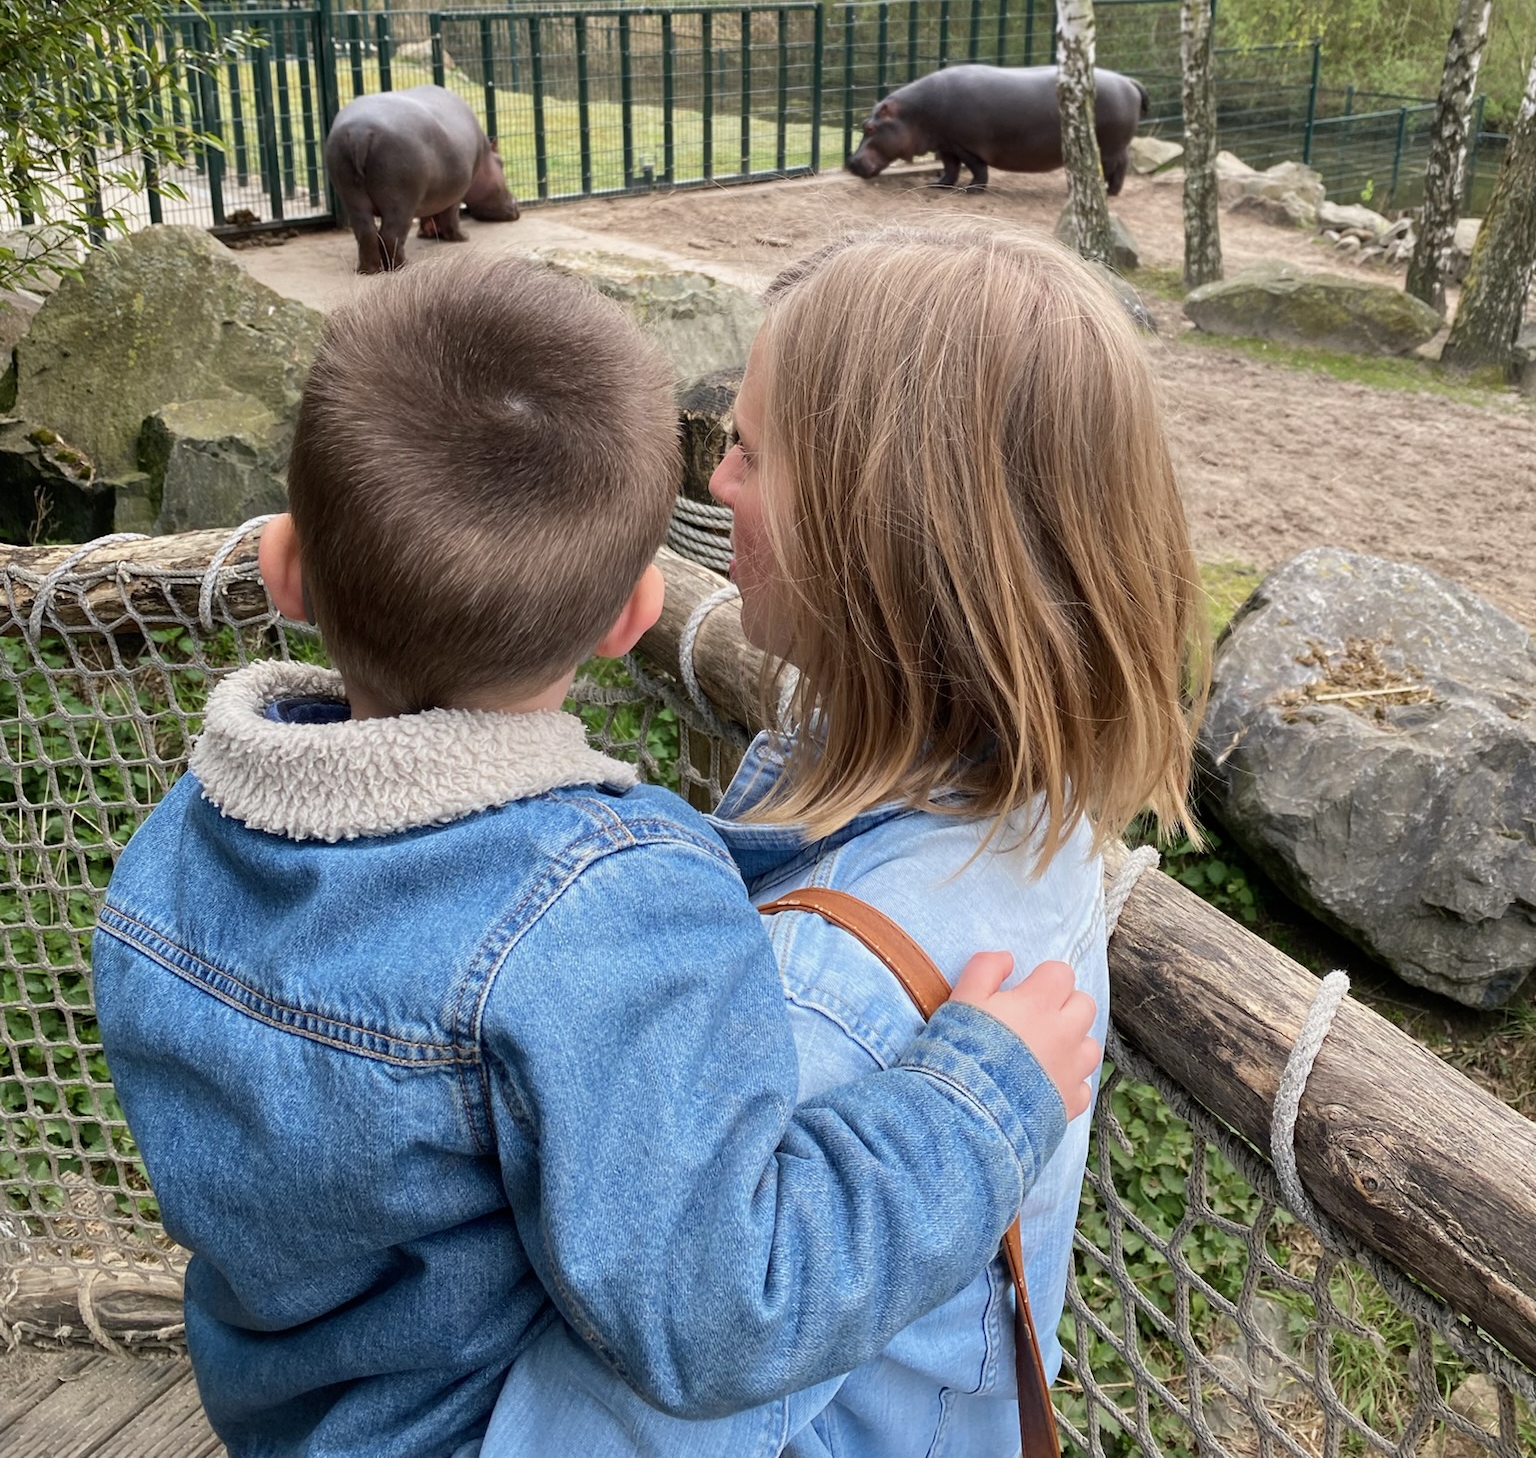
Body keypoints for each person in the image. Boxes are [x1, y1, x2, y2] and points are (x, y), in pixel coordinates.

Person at [91, 254, 1101, 1458]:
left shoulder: (168, 852)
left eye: (746, 447)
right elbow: (725, 1312)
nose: (723, 475)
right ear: (635, 614)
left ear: (286, 567)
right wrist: (978, 1098)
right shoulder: (608, 908)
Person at [486, 225, 1206, 1456]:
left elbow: (612, 1414)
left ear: (876, 534)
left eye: (750, 454)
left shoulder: (828, 997)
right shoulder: (1010, 802)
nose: (713, 483)